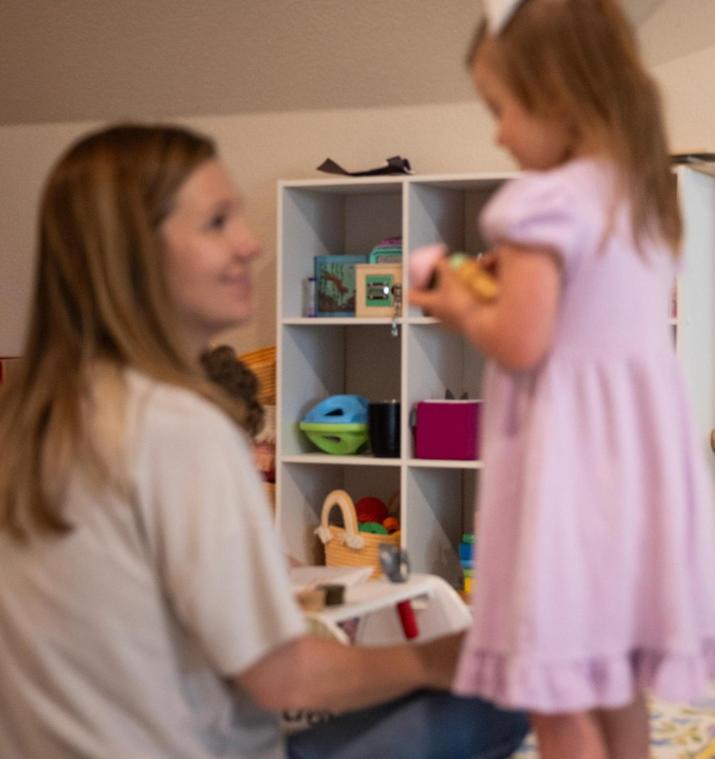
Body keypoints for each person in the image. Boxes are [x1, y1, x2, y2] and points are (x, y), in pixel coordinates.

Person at [0, 124, 528, 759]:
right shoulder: (178, 429)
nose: (250, 245)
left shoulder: (30, 420)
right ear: (133, 251)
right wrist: (439, 660)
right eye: (217, 222)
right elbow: (285, 677)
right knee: (498, 700)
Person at [408, 1, 715, 756]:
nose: (496, 132)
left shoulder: (540, 201)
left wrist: (459, 301)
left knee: (555, 691)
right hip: (635, 464)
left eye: (502, 109)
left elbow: (522, 342)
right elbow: (585, 309)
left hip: (567, 467)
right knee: (614, 676)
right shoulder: (639, 196)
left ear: (557, 94)